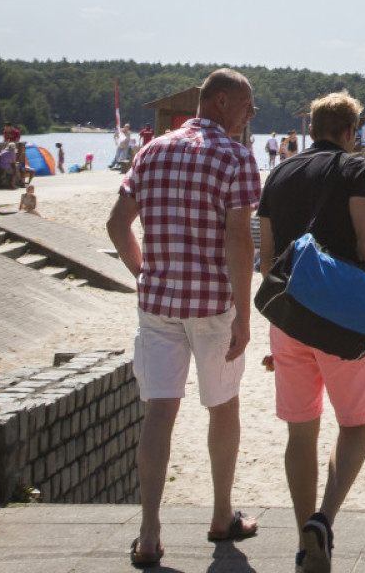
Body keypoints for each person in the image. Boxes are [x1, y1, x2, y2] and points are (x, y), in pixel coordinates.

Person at [106, 68, 262, 568]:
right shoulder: (236, 157)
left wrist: (143, 272)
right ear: (220, 102)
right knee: (223, 407)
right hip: (214, 303)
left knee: (159, 412)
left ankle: (149, 533)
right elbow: (238, 240)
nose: (251, 114)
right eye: (246, 104)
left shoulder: (150, 151)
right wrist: (243, 315)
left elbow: (116, 224)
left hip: (159, 304)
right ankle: (221, 515)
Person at [258, 91, 365, 573]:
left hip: (291, 315)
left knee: (300, 432)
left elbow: (267, 257)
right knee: (355, 424)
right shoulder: (354, 170)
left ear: (310, 129)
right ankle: (324, 518)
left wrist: (278, 326)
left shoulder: (278, 173)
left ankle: (306, 542)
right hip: (342, 318)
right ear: (350, 133)